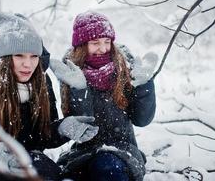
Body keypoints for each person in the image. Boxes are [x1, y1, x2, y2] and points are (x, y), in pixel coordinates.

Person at [0, 12, 98, 181]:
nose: (28, 64)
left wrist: (61, 129)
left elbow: (41, 137)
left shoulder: (41, 84)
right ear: (4, 58)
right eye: (19, 55)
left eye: (33, 56)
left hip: (29, 165)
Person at [50, 11, 157, 181]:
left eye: (107, 42)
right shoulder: (72, 72)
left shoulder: (124, 69)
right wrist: (79, 89)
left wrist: (144, 86)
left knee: (107, 166)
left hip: (123, 151)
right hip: (84, 153)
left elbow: (142, 119)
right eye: (95, 43)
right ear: (82, 45)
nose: (103, 48)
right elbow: (84, 125)